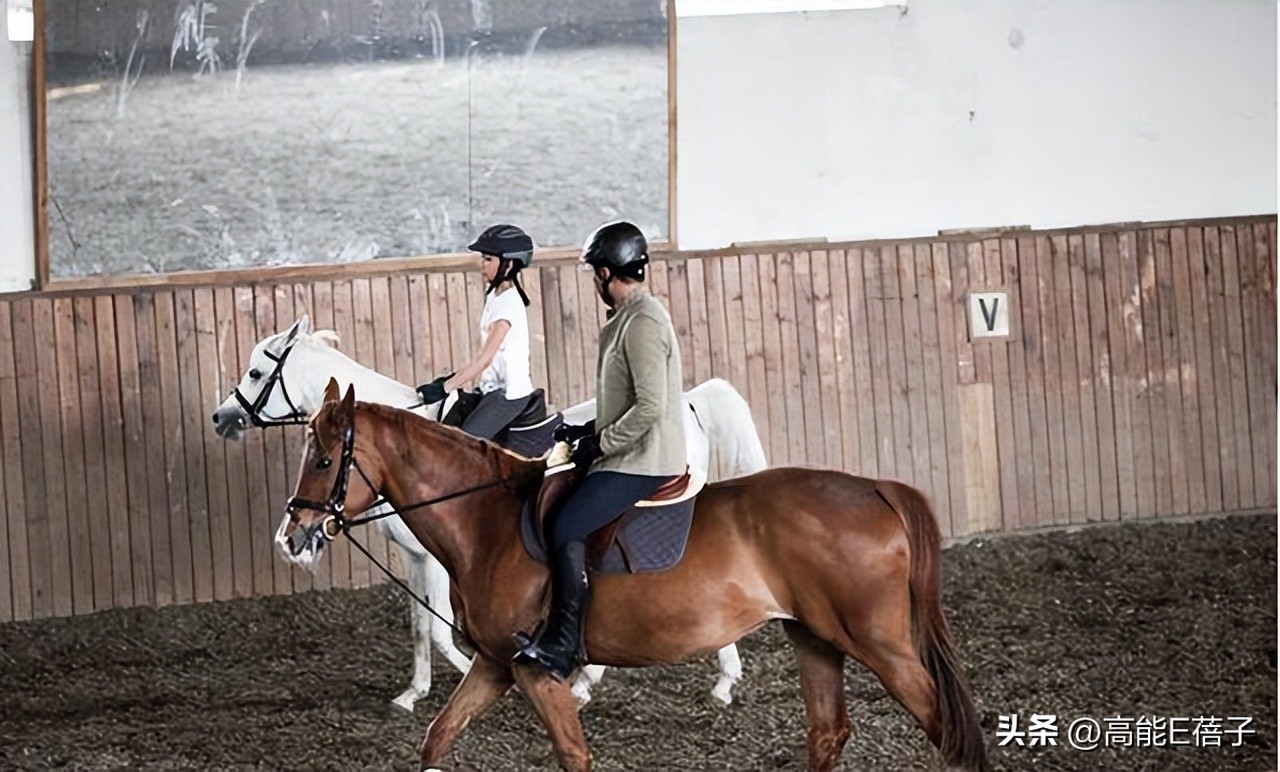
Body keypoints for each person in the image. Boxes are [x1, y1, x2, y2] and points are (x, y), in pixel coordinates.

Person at [513, 220, 687, 679]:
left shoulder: (644, 322)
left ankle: (566, 645)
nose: (595, 282)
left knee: (567, 524)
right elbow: (627, 399)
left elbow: (651, 406)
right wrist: (585, 430)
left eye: (596, 274)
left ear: (608, 273)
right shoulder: (628, 319)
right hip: (627, 449)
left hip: (644, 458)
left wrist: (601, 443)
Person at [416, 223, 541, 440]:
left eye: (488, 259)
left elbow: (484, 359)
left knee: (461, 444)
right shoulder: (495, 296)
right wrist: (453, 379)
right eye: (482, 258)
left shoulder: (509, 304)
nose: (481, 264)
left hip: (508, 396)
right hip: (490, 389)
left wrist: (446, 387)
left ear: (509, 264)